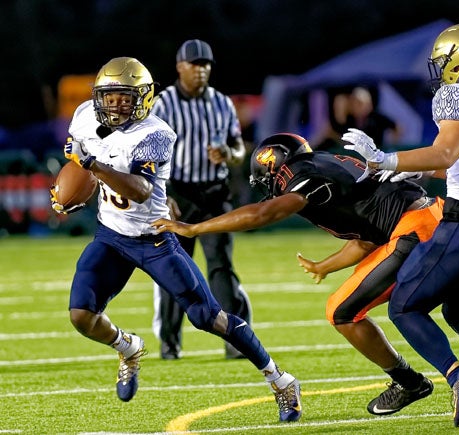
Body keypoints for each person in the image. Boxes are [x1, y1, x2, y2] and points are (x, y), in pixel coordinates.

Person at [150, 133, 459, 420]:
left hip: (414, 230)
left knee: (345, 311)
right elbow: (366, 234)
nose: (274, 184)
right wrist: (326, 265)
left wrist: (195, 227)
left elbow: (264, 211)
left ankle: (417, 381)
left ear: (276, 164)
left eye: (271, 176)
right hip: (432, 219)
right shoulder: (333, 167)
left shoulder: (302, 171)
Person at [49, 57, 301, 422]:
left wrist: (94, 167)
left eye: (125, 97)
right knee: (81, 315)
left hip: (154, 238)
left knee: (208, 317)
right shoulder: (86, 114)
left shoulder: (156, 133)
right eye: (110, 96)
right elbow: (76, 161)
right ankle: (128, 347)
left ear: (144, 97)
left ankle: (281, 381)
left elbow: (137, 191)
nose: (115, 104)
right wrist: (69, 192)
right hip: (111, 235)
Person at [343, 23, 459, 427]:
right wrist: (421, 173)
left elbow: (445, 152)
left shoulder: (456, 94)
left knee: (405, 306)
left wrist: (384, 159)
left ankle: (457, 374)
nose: (441, 68)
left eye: (445, 59)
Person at [150, 39, 252, 360]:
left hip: (213, 193)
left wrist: (228, 154)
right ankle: (169, 341)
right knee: (175, 269)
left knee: (221, 266)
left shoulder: (222, 103)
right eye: (195, 64)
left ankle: (234, 339)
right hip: (177, 193)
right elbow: (149, 153)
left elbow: (239, 149)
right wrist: (161, 195)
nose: (201, 69)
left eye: (206, 64)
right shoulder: (163, 104)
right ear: (179, 67)